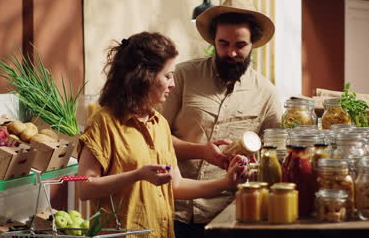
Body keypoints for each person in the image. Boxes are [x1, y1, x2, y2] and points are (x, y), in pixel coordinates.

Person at [76, 31, 248, 238]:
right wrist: (138, 175)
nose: (173, 84)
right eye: (168, 76)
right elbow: (84, 188)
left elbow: (176, 185)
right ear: (144, 77)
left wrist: (227, 182)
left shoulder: (159, 124)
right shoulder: (103, 122)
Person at [161, 0, 283, 238]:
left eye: (240, 45)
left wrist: (253, 167)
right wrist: (201, 151)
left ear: (254, 43)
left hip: (233, 212)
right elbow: (156, 138)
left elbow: (275, 156)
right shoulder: (182, 76)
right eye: (223, 43)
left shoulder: (267, 93)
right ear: (214, 41)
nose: (231, 52)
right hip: (176, 209)